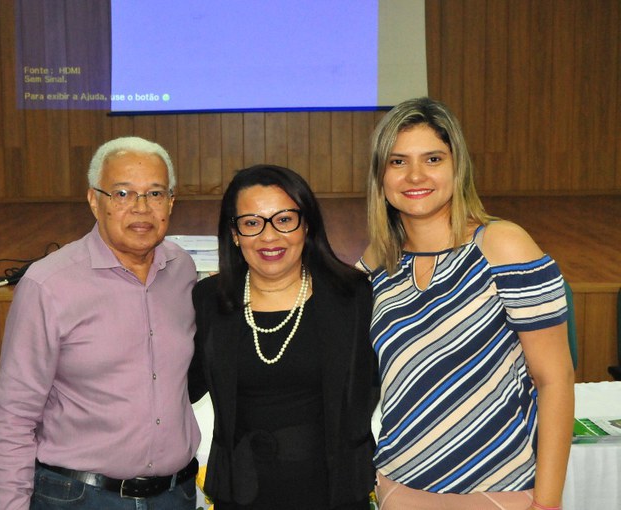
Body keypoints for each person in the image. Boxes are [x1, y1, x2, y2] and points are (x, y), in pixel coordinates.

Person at [358, 97, 574, 510]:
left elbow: (555, 379)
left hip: (499, 489)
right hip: (398, 487)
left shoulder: (503, 246)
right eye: (398, 161)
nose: (415, 175)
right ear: (380, 175)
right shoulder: (378, 261)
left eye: (433, 159)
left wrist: (547, 502)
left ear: (458, 167)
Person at [0, 136, 201, 510]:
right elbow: (13, 413)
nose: (141, 208)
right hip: (81, 497)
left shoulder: (182, 269)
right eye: (122, 194)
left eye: (155, 193)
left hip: (174, 495)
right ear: (94, 201)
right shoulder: (49, 285)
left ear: (171, 202)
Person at [188, 164, 380, 509]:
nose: (269, 236)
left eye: (284, 219)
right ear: (234, 233)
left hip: (335, 492)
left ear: (307, 225)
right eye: (252, 223)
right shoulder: (209, 301)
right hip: (241, 492)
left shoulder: (354, 298)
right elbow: (184, 384)